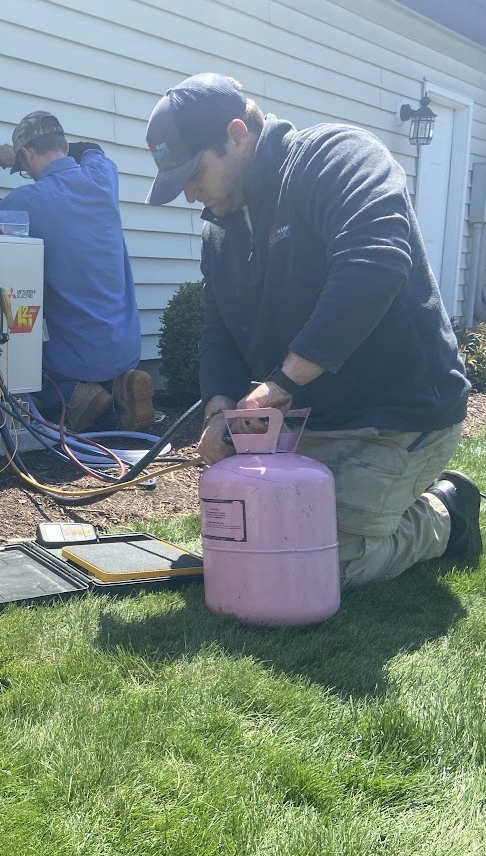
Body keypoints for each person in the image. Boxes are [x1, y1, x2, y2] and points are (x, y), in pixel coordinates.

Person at [144, 72, 481, 589]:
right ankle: (385, 500)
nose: (190, 194)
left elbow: (374, 265)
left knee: (317, 561)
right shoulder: (220, 232)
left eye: (195, 173)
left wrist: (279, 384)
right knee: (255, 537)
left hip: (402, 418)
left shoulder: (336, 157)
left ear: (237, 135)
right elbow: (218, 334)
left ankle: (445, 510)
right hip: (314, 419)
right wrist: (218, 410)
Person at [0, 111, 154, 433]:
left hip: (75, 359)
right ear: (64, 145)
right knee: (100, 354)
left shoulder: (26, 200)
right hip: (124, 348)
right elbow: (90, 147)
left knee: (19, 371)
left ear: (26, 155)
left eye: (22, 166)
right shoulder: (103, 175)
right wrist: (24, 152)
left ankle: (77, 395)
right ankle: (123, 384)